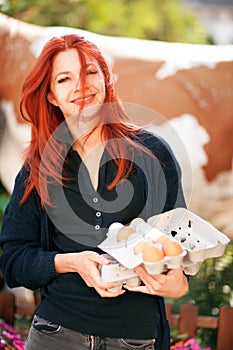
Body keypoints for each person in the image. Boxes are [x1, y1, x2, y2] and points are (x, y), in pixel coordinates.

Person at [0, 34, 189, 350]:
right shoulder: (38, 168)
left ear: (106, 78)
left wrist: (178, 282)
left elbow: (177, 243)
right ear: (50, 95)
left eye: (90, 72)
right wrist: (71, 262)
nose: (81, 86)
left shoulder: (153, 154)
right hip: (56, 334)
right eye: (64, 79)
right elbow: (13, 260)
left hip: (134, 338)